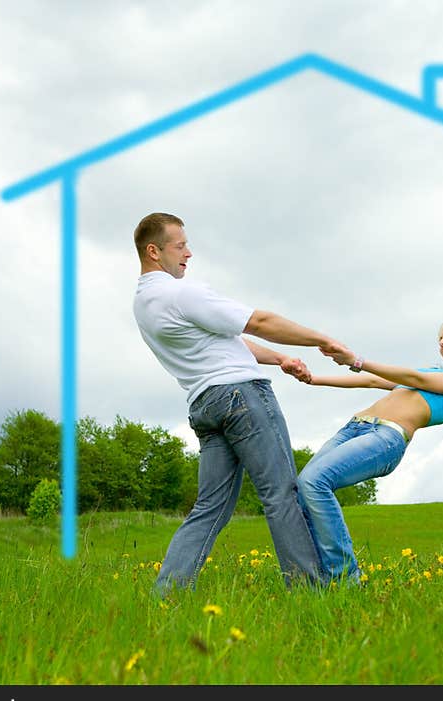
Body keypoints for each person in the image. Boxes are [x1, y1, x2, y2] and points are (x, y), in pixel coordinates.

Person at [132, 212, 349, 595]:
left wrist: (279, 358)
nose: (189, 253)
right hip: (241, 398)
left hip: (205, 406)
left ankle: (166, 594)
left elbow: (225, 339)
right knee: (282, 494)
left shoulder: (145, 303)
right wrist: (320, 340)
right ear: (154, 251)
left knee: (209, 508)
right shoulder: (181, 292)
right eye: (180, 246)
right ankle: (310, 592)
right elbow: (258, 321)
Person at [294, 320, 443, 583]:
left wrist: (357, 360)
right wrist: (312, 379)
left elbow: (415, 379)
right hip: (352, 428)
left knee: (314, 482)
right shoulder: (434, 372)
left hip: (386, 437)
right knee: (301, 492)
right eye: (439, 338)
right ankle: (312, 580)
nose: (442, 341)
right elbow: (374, 381)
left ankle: (347, 579)